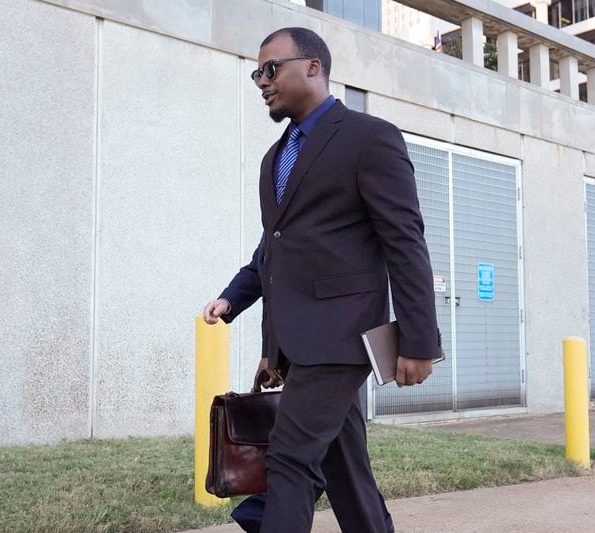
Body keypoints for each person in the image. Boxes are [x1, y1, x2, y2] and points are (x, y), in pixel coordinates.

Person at [202, 27, 441, 533]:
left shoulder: (370, 137)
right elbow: (276, 248)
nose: (261, 81)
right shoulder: (274, 159)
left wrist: (419, 341)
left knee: (289, 459)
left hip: (344, 335)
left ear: (313, 66)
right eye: (256, 73)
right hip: (299, 342)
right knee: (345, 468)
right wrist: (236, 300)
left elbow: (404, 241)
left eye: (271, 69)